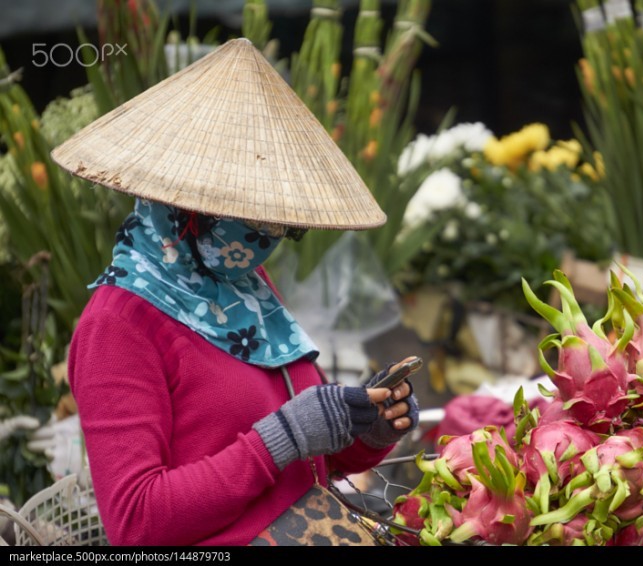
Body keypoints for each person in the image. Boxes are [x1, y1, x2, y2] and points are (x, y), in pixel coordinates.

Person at [53, 38, 419, 546]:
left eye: (280, 225)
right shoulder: (117, 324)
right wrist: (282, 437)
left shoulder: (244, 287)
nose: (266, 237)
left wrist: (366, 432)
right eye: (250, 217)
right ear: (185, 207)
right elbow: (136, 524)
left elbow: (302, 461)